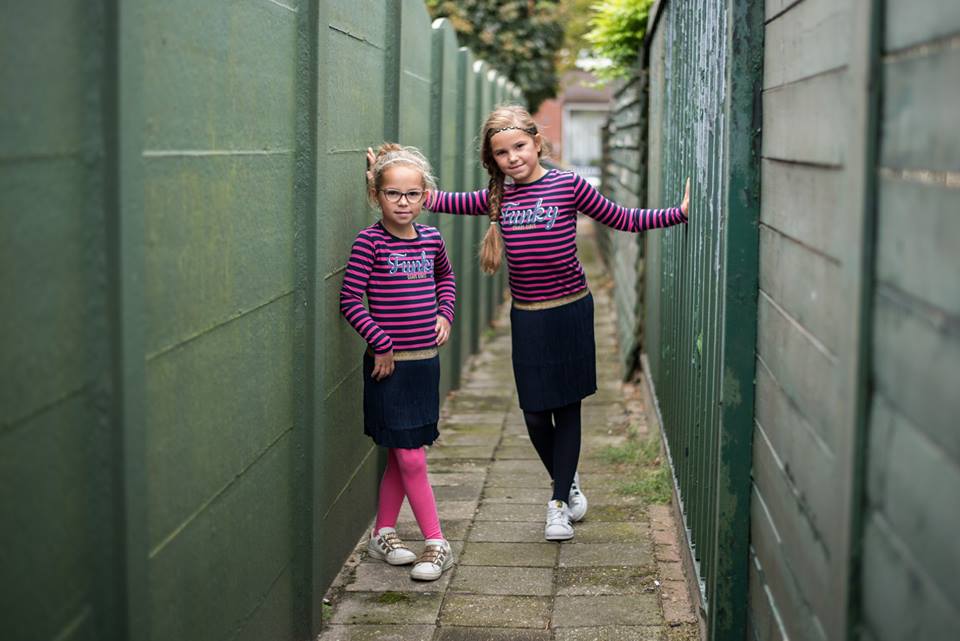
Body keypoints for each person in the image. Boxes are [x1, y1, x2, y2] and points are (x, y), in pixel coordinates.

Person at [370, 105, 690, 541]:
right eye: (501, 153)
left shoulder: (568, 185)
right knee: (536, 416)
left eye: (519, 146)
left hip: (571, 311)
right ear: (493, 159)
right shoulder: (496, 198)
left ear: (537, 143)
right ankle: (566, 478)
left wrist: (677, 213)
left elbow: (622, 218)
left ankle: (558, 504)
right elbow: (429, 198)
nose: (512, 158)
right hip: (528, 318)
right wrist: (384, 169)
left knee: (568, 408)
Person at [340, 143, 456, 580]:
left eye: (412, 194)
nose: (403, 202)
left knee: (401, 454)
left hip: (425, 365)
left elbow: (446, 278)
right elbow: (350, 300)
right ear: (376, 196)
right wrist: (381, 342)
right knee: (410, 457)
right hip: (388, 368)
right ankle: (437, 542)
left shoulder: (432, 239)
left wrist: (445, 313)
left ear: (425, 195)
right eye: (393, 193)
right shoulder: (369, 242)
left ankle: (383, 532)